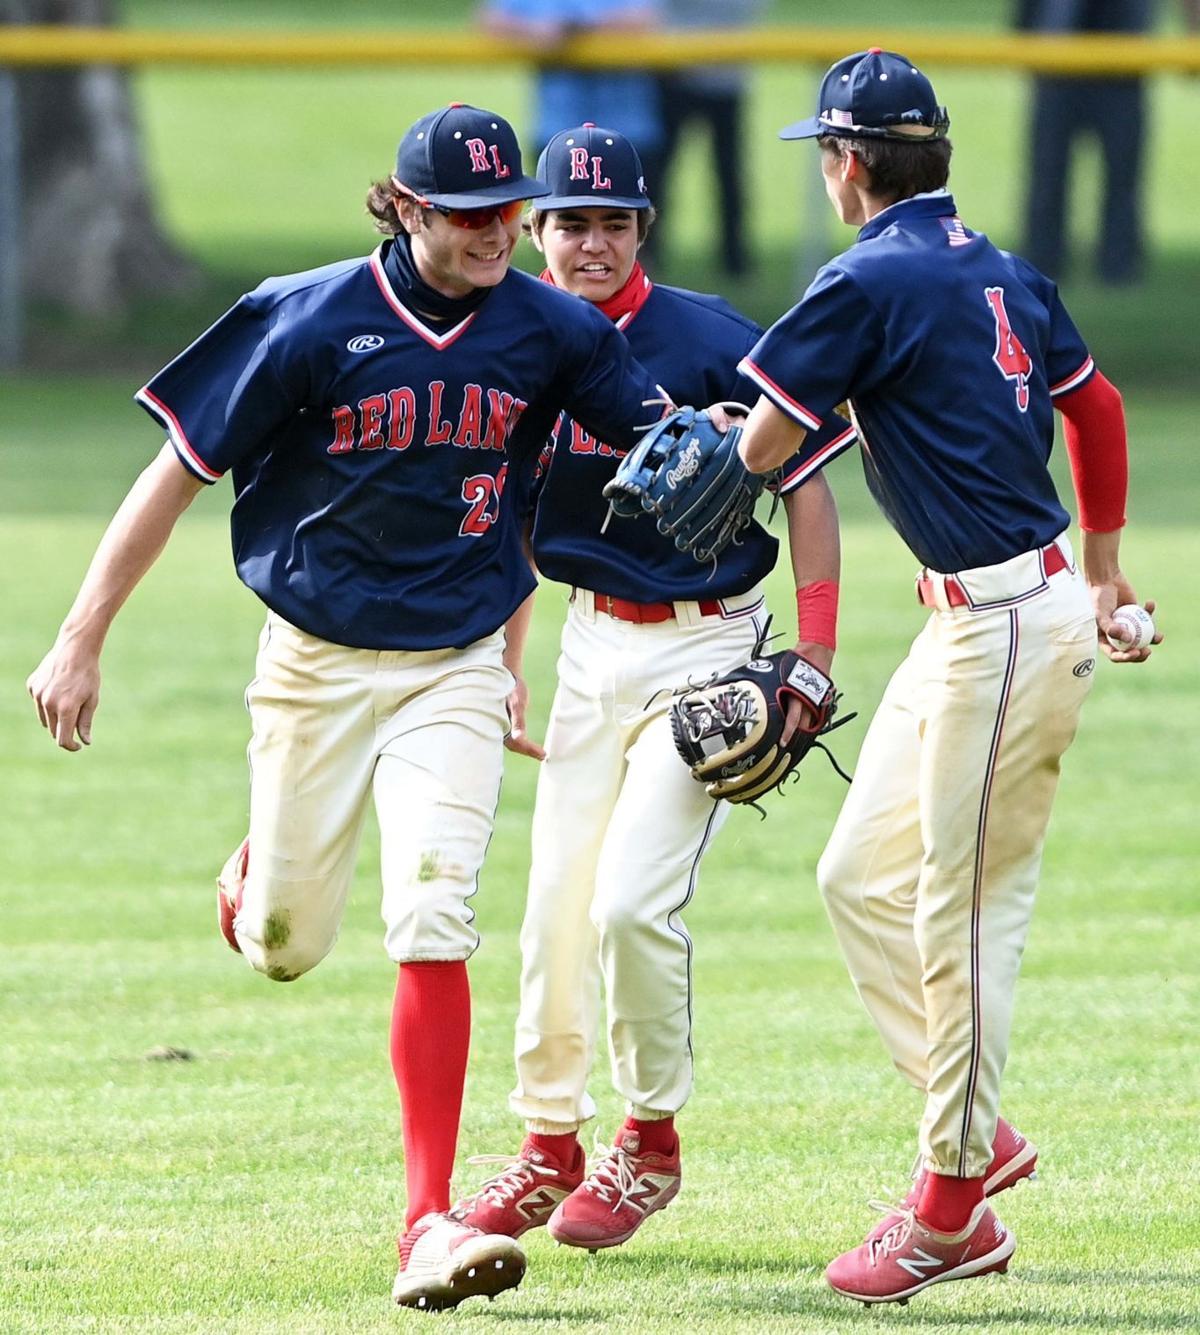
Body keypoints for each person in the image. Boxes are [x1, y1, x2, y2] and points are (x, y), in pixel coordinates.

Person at [25, 103, 687, 1314]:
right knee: (288, 946)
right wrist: (80, 638)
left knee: (434, 914)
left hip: (455, 665)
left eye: (508, 210)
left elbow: (658, 439)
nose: (497, 231)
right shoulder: (309, 316)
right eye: (470, 213)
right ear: (410, 207)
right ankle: (258, 879)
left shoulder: (551, 328)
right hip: (314, 663)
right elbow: (176, 473)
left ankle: (425, 1222)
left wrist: (741, 448)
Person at [731, 49, 1162, 1305]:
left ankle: (948, 1212)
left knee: (962, 914)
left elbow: (762, 447)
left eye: (825, 155)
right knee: (856, 876)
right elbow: (1098, 409)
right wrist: (1106, 571)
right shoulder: (999, 267)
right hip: (984, 617)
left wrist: (732, 439)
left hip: (1007, 628)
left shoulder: (863, 278)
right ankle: (975, 1128)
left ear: (847, 165)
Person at [447, 123, 853, 1251]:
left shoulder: (711, 338)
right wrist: (509, 658)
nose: (593, 243)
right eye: (572, 222)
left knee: (630, 903)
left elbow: (809, 486)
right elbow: (517, 520)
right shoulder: (515, 341)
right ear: (534, 229)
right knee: (551, 911)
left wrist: (815, 653)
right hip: (588, 646)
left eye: (614, 223)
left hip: (706, 649)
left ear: (644, 229)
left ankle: (649, 1141)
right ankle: (547, 1144)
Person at [1017, 0, 1200, 284]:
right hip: (1058, 57)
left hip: (1123, 59)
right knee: (1049, 174)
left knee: (1121, 174)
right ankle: (1043, 262)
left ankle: (1119, 267)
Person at [479, 1, 667, 196]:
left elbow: (648, 20)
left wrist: (577, 31)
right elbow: (492, 22)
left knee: (635, 212)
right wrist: (535, 30)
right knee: (560, 212)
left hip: (629, 134)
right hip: (557, 133)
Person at [655, 0, 766, 275]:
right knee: (657, 173)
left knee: (728, 173)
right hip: (676, 72)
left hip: (722, 77)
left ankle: (735, 259)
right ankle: (647, 250)